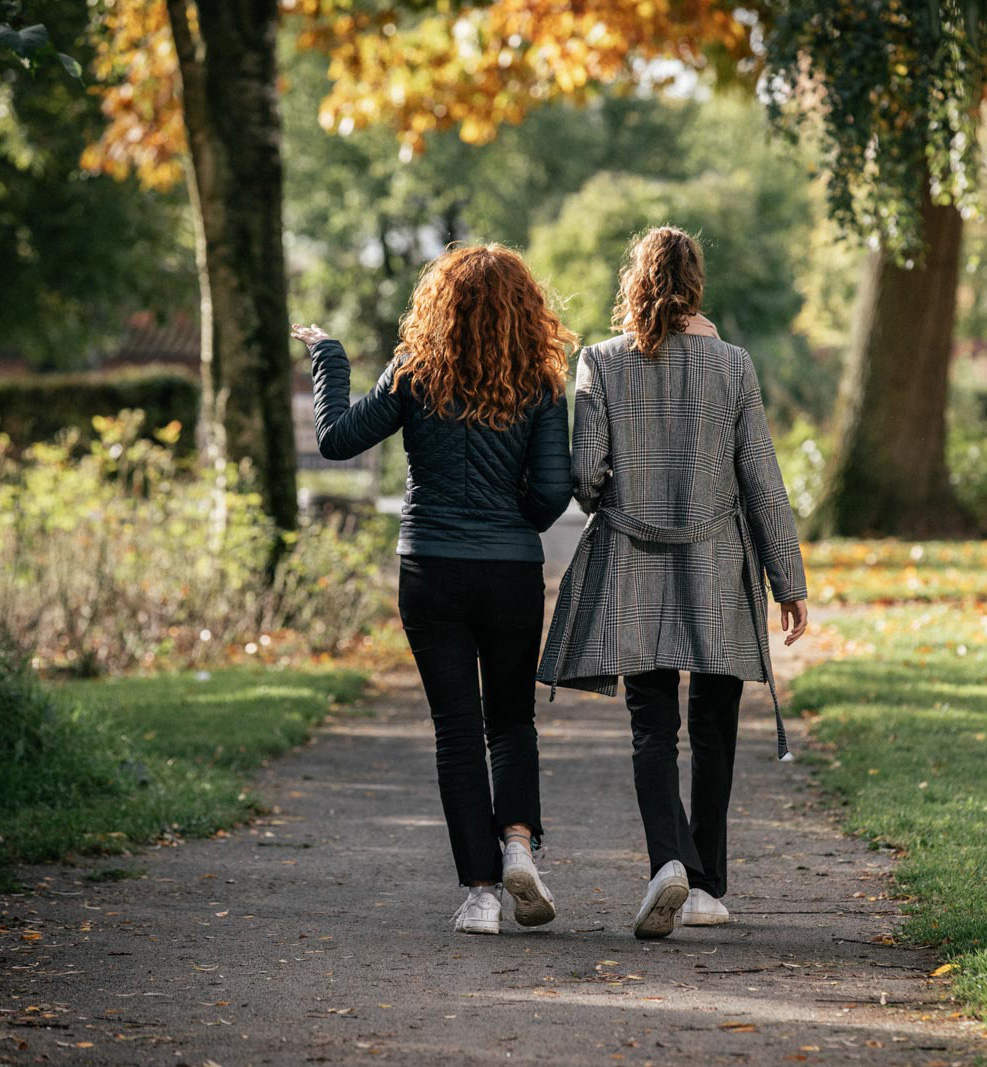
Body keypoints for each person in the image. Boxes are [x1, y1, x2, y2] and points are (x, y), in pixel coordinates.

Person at [292, 244, 575, 935]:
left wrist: (327, 355)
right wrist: (510, 509)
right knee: (510, 719)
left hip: (430, 568)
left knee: (455, 731)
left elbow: (335, 439)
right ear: (523, 309)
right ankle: (516, 845)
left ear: (438, 304)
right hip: (509, 570)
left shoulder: (413, 373)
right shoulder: (539, 382)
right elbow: (547, 497)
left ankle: (480, 894)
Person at [537, 226, 808, 939]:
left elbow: (585, 480)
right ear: (697, 284)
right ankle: (707, 886)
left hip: (632, 561)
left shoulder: (598, 363)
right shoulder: (733, 366)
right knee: (715, 725)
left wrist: (617, 497)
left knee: (651, 723)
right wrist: (788, 579)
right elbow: (762, 482)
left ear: (634, 281)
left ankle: (666, 860)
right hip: (718, 560)